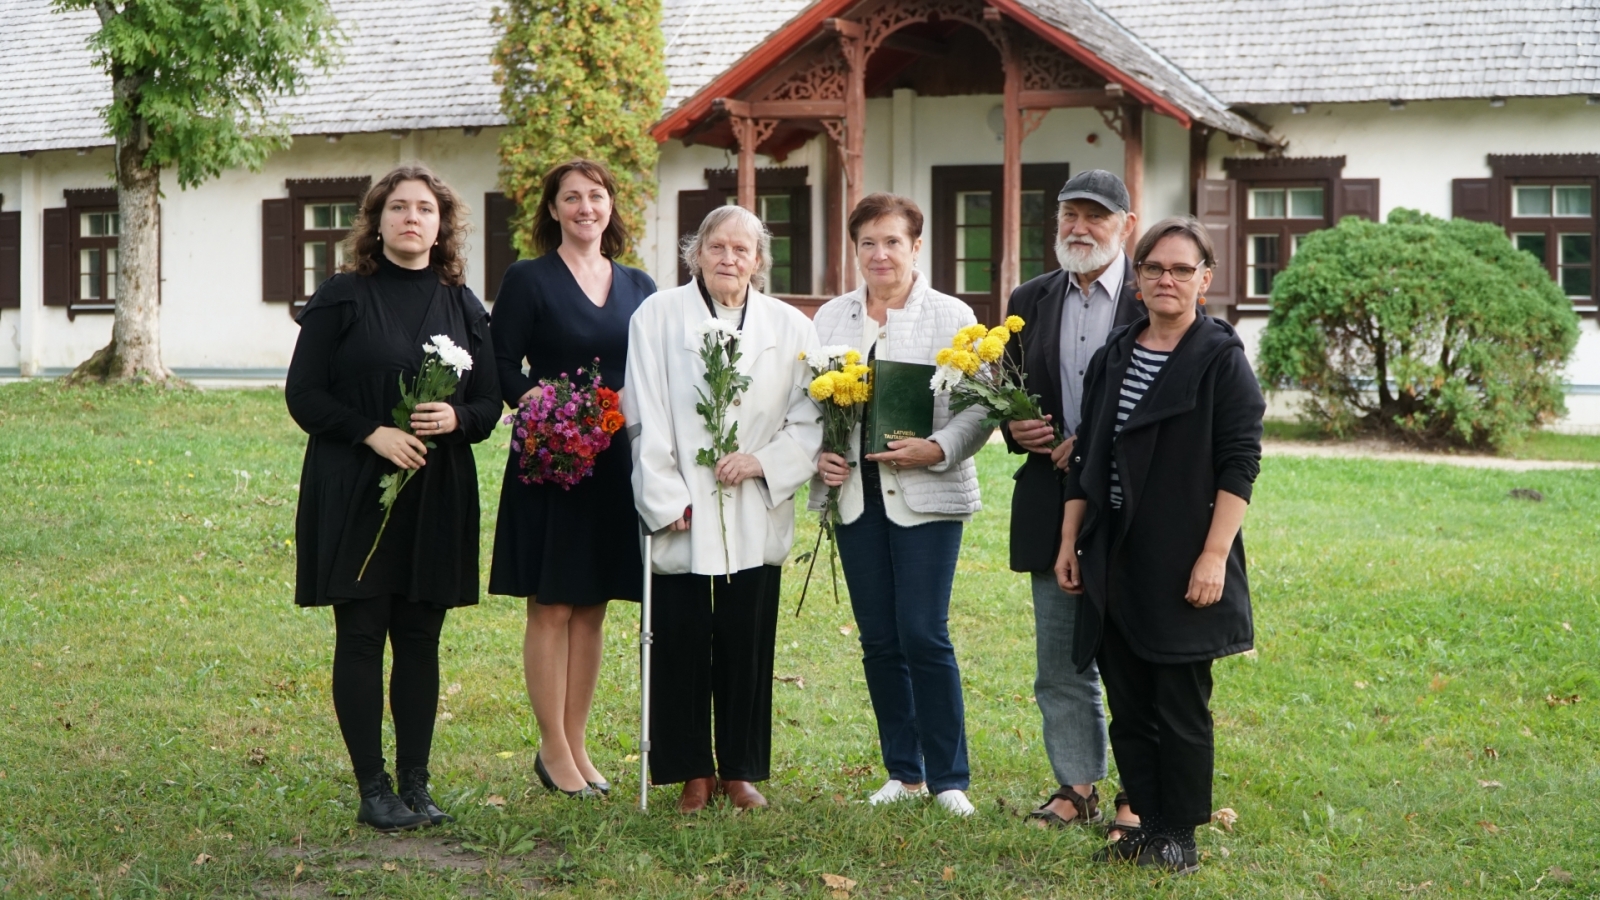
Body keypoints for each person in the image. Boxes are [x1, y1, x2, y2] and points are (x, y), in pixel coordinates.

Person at [286, 165, 501, 832]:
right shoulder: (343, 296)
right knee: (360, 631)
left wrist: (457, 421)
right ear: (376, 223)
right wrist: (372, 433)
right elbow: (304, 395)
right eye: (399, 208)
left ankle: (416, 783)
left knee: (419, 637)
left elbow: (490, 403)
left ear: (442, 228)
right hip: (355, 486)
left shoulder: (464, 304)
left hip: (435, 491)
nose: (413, 218)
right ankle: (372, 787)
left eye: (426, 210)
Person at [1054, 217, 1264, 874]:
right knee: (1128, 699)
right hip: (1114, 551)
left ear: (1206, 279)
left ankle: (1178, 835)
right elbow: (1089, 451)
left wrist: (1213, 557)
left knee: (1178, 703)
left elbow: (1239, 463)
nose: (1166, 279)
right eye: (1154, 269)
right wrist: (1070, 540)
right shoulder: (1117, 352)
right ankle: (1141, 822)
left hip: (1183, 553)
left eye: (1181, 269)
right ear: (1138, 279)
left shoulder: (1220, 360)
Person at [623, 204, 822, 813]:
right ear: (696, 255)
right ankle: (691, 772)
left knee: (746, 637)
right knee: (679, 639)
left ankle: (739, 771)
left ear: (759, 261)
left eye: (742, 250)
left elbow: (809, 416)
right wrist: (665, 495)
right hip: (682, 506)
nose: (729, 259)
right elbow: (644, 410)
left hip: (753, 504)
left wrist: (764, 462)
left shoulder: (790, 327)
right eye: (717, 248)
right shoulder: (656, 316)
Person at [810, 194, 992, 817]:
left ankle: (949, 779)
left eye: (892, 242)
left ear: (917, 247)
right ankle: (903, 771)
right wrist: (821, 456)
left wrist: (936, 447)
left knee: (923, 632)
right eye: (868, 243)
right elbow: (806, 406)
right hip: (855, 496)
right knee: (880, 638)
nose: (880, 254)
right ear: (854, 248)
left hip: (927, 496)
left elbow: (981, 406)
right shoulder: (832, 318)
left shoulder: (952, 315)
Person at [488, 159, 656, 799]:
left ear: (611, 206)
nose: (586, 207)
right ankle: (551, 747)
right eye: (572, 198)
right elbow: (502, 365)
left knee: (593, 607)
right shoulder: (528, 280)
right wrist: (549, 411)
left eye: (597, 195)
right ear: (553, 210)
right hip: (552, 461)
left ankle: (578, 743)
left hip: (615, 462)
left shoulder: (640, 285)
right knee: (552, 602)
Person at [1002, 169, 1146, 834]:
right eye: (1069, 215)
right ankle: (1077, 784)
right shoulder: (1027, 299)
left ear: (1127, 225)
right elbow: (1009, 394)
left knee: (1134, 653)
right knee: (1059, 657)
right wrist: (1015, 428)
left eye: (1096, 216)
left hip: (1131, 506)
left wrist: (1097, 442)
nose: (1079, 228)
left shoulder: (1155, 299)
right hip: (1049, 498)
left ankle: (1138, 793)